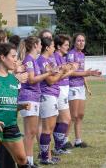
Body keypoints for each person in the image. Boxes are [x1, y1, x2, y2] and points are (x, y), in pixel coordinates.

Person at [0, 43, 31, 168]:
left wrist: (20, 106)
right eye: (13, 56)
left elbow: (6, 104)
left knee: (22, 160)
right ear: (2, 57)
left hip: (10, 125)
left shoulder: (13, 79)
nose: (16, 60)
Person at [18, 36, 52, 167]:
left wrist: (49, 72)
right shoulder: (29, 60)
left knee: (31, 132)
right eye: (39, 44)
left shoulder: (33, 60)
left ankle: (29, 161)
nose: (41, 47)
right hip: (29, 97)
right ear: (35, 46)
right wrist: (48, 74)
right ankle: (27, 162)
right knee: (30, 133)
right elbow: (31, 80)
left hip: (33, 97)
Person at [37, 37, 70, 165]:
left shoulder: (47, 60)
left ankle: (48, 156)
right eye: (52, 46)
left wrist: (61, 70)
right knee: (47, 128)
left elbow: (55, 76)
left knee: (49, 128)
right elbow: (50, 81)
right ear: (47, 47)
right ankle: (45, 157)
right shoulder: (43, 61)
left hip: (52, 95)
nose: (54, 48)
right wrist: (62, 71)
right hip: (47, 95)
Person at [65, 33, 101, 148]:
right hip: (72, 86)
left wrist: (87, 86)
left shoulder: (82, 55)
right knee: (72, 115)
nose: (81, 43)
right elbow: (71, 72)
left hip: (80, 87)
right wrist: (88, 73)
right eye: (79, 40)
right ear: (74, 42)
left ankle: (78, 140)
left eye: (83, 41)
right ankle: (65, 140)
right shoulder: (71, 54)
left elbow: (82, 73)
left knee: (80, 115)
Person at [52, 34, 78, 155]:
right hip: (60, 89)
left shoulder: (61, 57)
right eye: (66, 45)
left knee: (60, 120)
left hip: (64, 89)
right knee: (66, 119)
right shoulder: (55, 57)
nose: (68, 47)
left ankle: (59, 146)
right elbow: (58, 76)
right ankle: (59, 146)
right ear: (58, 46)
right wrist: (72, 70)